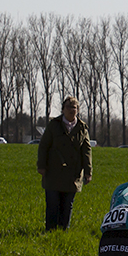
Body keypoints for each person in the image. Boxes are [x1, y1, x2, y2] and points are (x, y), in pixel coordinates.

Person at [37, 96, 92, 231]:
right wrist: (41, 166)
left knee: (67, 204)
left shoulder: (82, 128)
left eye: (74, 107)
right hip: (53, 172)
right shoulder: (54, 125)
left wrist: (88, 172)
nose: (71, 110)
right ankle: (50, 230)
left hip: (72, 174)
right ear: (63, 109)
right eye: (68, 107)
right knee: (52, 203)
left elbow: (86, 151)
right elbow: (43, 146)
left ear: (78, 110)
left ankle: (63, 231)